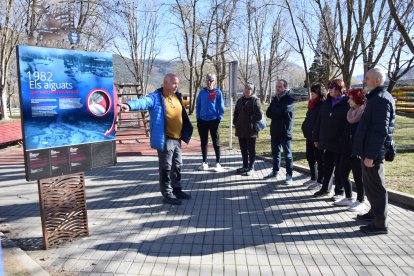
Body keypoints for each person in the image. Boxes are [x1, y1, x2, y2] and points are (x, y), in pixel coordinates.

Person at [119, 74, 193, 205]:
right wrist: (129, 105)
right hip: (165, 139)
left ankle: (177, 189)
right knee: (166, 167)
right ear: (165, 83)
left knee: (177, 166)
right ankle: (167, 194)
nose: (177, 85)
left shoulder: (178, 96)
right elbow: (143, 102)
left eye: (177, 83)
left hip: (177, 139)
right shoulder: (156, 97)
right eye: (174, 83)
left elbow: (184, 112)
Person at [353, 67, 395, 235]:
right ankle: (374, 214)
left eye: (367, 78)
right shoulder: (375, 98)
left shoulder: (381, 100)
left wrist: (371, 155)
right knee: (370, 185)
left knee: (376, 187)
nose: (364, 80)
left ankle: (380, 224)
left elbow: (380, 131)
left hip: (373, 153)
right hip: (368, 150)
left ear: (377, 81)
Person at [313, 79, 350, 201]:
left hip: (340, 143)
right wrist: (316, 137)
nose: (330, 89)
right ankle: (325, 189)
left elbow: (348, 125)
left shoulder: (347, 103)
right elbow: (319, 122)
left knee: (340, 169)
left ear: (340, 89)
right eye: (329, 87)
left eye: (332, 87)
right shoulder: (326, 103)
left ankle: (339, 192)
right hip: (327, 142)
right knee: (326, 167)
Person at [337, 88, 366, 211]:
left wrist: (359, 150)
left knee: (358, 177)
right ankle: (348, 197)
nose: (348, 100)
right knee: (342, 173)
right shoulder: (349, 112)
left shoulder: (364, 114)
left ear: (356, 99)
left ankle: (360, 200)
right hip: (346, 149)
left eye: (350, 98)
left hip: (358, 151)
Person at [265, 79, 295, 185]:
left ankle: (289, 176)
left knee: (287, 155)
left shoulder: (289, 99)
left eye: (280, 87)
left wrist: (276, 112)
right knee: (275, 153)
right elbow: (268, 113)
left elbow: (283, 111)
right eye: (276, 87)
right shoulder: (274, 99)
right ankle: (275, 171)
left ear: (285, 87)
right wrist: (276, 112)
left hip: (285, 131)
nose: (277, 89)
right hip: (274, 131)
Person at [196, 73, 225, 172]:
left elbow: (221, 107)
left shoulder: (218, 92)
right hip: (202, 120)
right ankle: (204, 162)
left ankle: (218, 163)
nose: (209, 82)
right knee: (203, 142)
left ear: (215, 81)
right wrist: (198, 118)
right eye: (207, 80)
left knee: (216, 142)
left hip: (214, 120)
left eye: (211, 80)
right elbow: (198, 105)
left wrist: (219, 118)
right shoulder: (201, 92)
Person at [233, 82, 263, 176]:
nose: (247, 90)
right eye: (246, 88)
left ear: (252, 90)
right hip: (240, 129)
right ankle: (245, 166)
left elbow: (259, 115)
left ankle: (251, 167)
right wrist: (236, 122)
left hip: (251, 130)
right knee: (243, 149)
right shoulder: (240, 100)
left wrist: (250, 120)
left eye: (249, 89)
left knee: (251, 149)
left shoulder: (255, 100)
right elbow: (236, 113)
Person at [301, 83, 326, 190]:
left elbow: (321, 122)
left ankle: (320, 181)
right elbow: (308, 118)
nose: (311, 94)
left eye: (313, 92)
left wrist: (318, 137)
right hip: (309, 136)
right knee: (310, 157)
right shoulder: (312, 104)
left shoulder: (323, 105)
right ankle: (313, 177)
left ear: (319, 93)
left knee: (320, 159)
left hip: (318, 137)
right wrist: (304, 127)